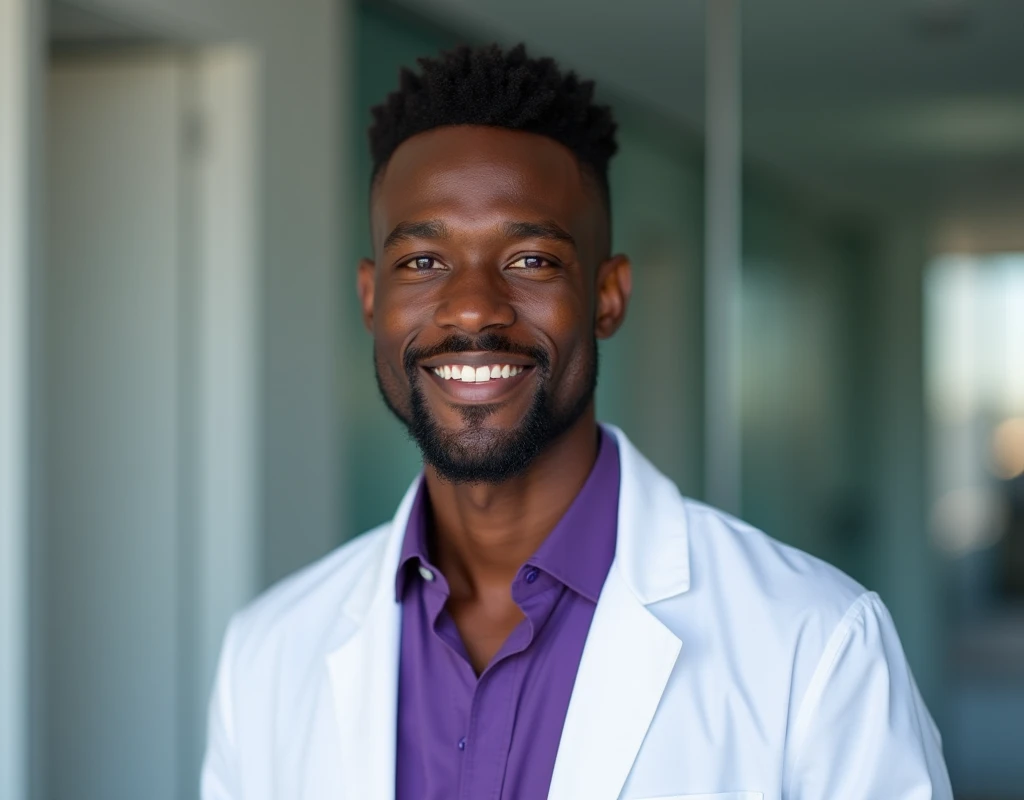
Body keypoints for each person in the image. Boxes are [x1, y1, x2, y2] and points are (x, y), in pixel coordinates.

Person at [201, 44, 952, 800]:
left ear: (608, 295)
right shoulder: (267, 653)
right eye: (422, 263)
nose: (471, 308)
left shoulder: (814, 644)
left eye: (530, 261)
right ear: (371, 299)